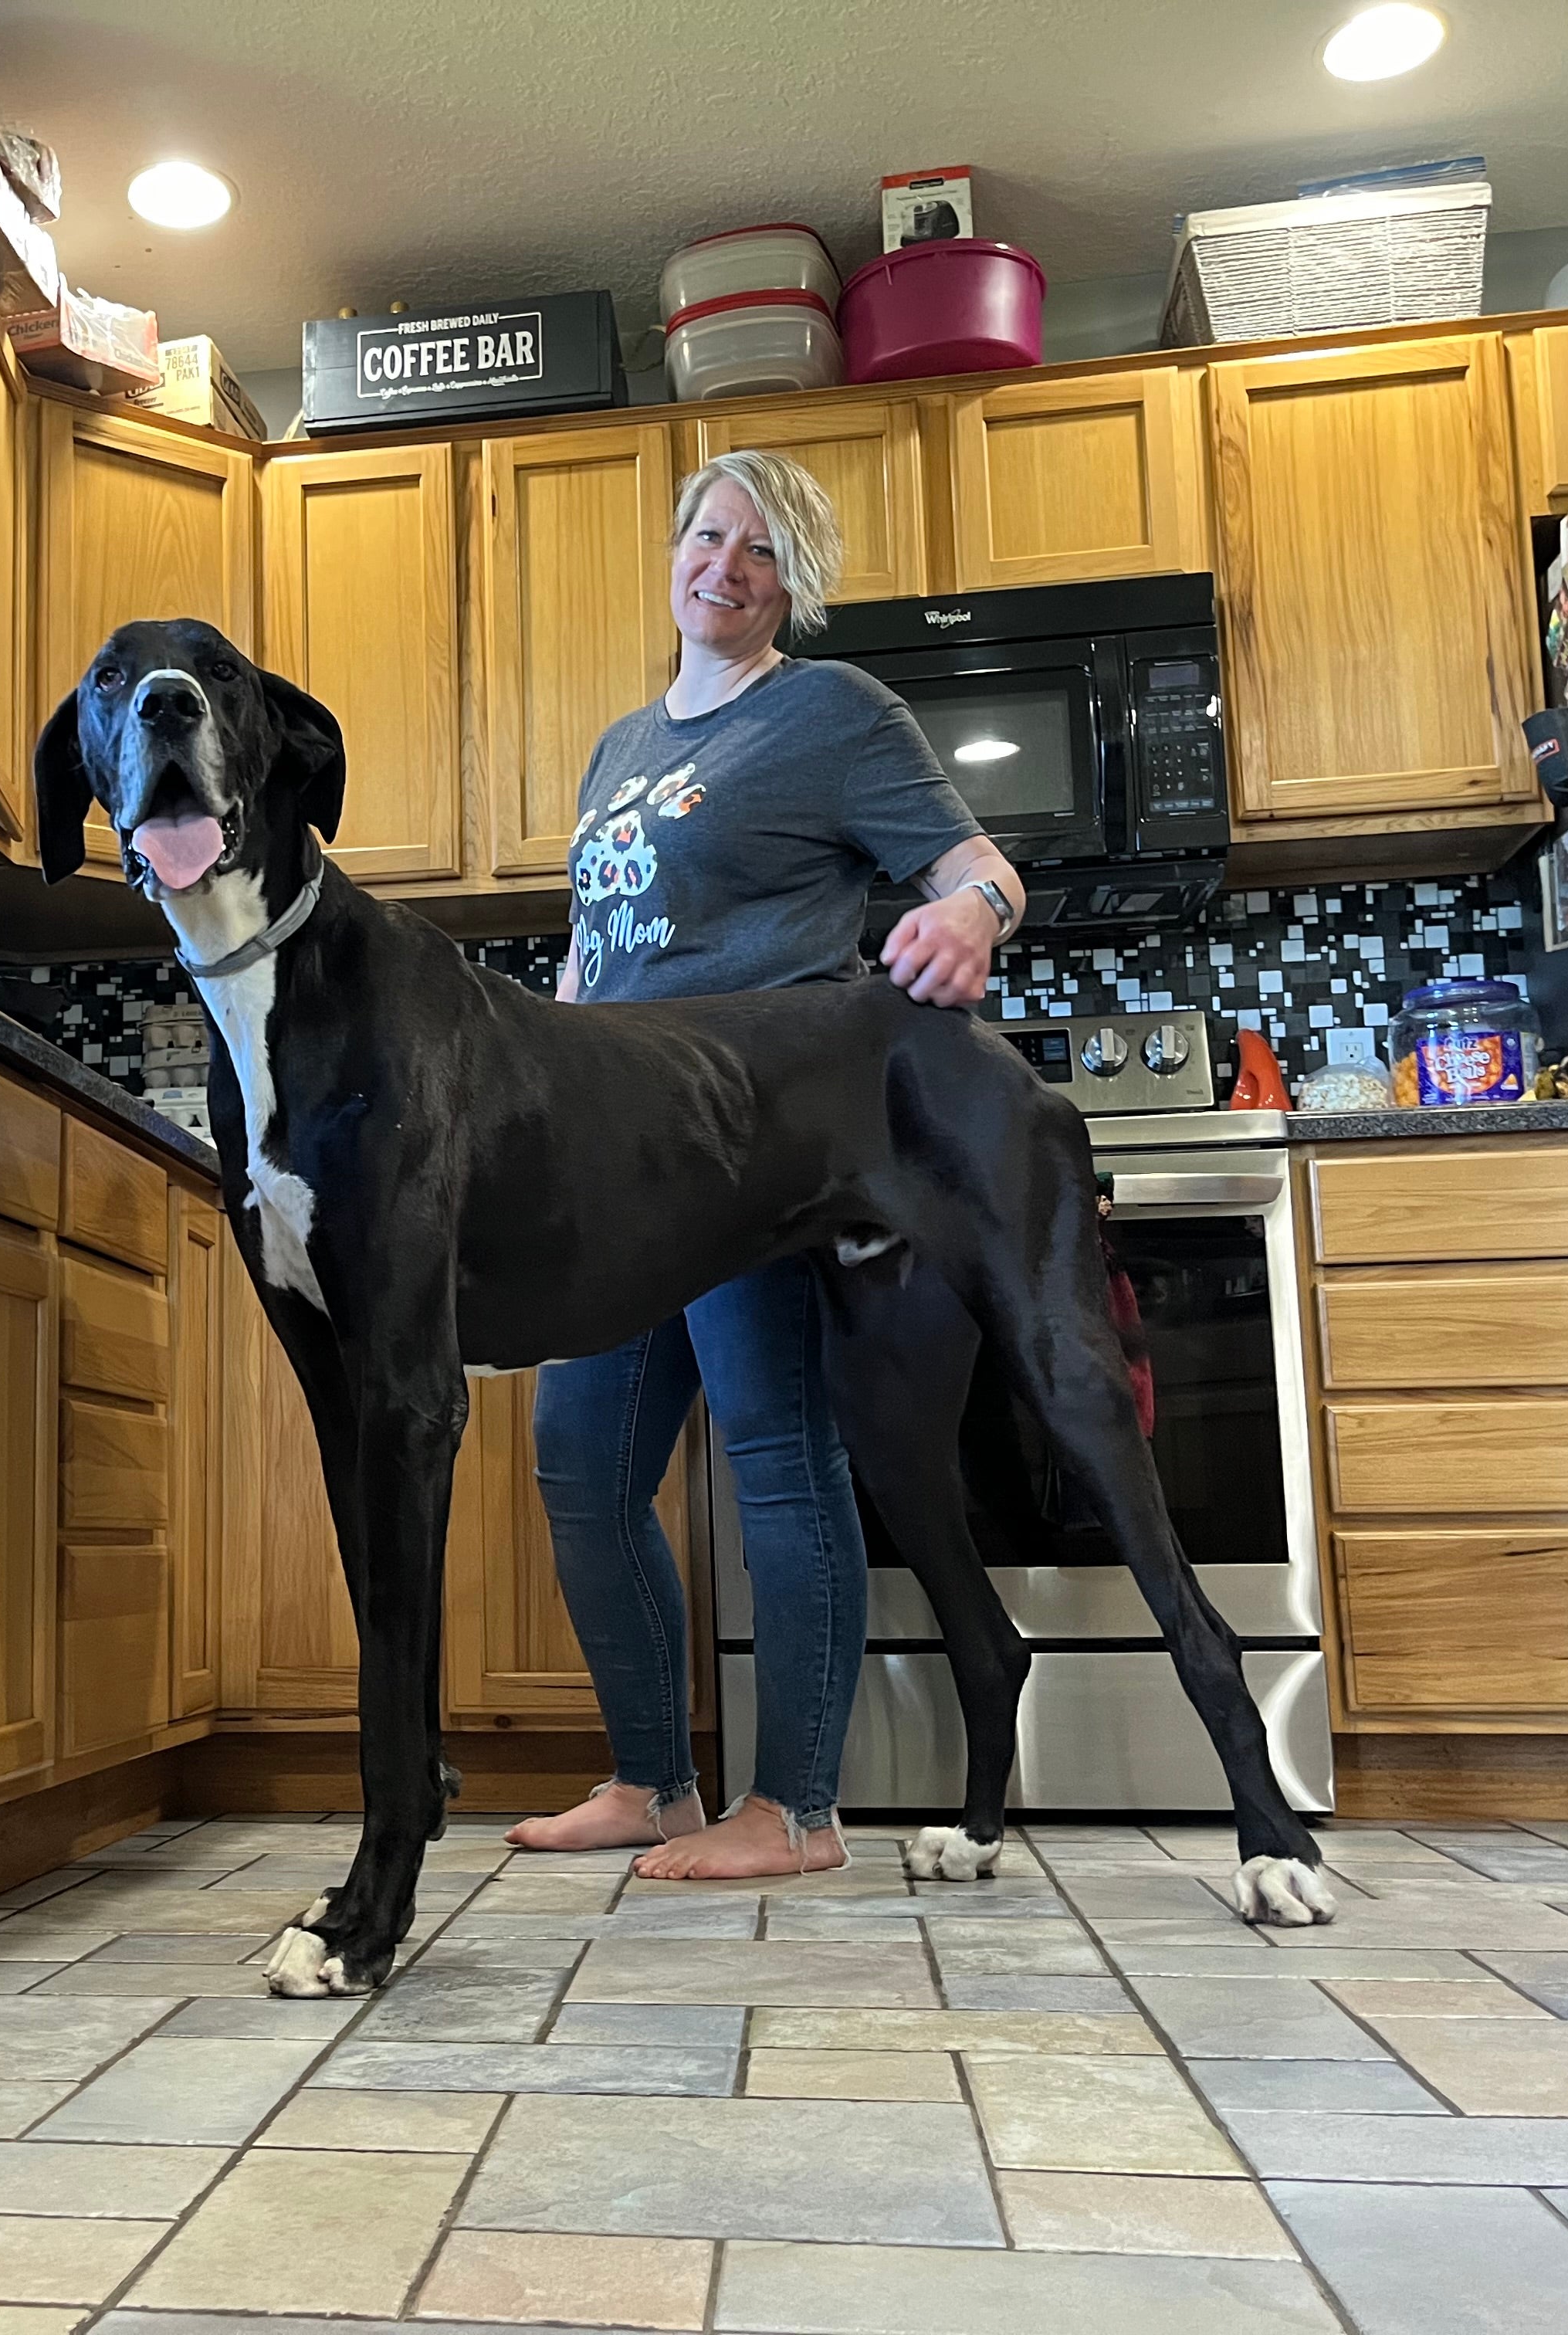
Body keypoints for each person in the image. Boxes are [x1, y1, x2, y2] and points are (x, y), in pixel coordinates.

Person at [508, 449, 1024, 1879]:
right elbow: (596, 954)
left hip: (753, 1149)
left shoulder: (834, 714)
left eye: (761, 552)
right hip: (612, 1160)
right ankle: (653, 1782)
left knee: (777, 1463)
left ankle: (797, 1811)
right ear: (675, 549)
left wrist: (973, 917)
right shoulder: (622, 748)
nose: (723, 567)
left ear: (792, 585)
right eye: (707, 536)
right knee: (582, 1462)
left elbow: (982, 868)